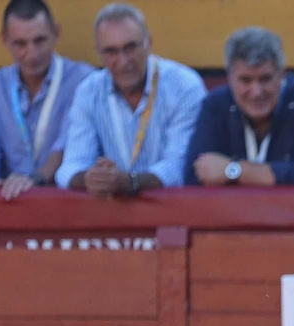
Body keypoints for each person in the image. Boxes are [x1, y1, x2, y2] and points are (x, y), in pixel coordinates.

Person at [56, 3, 204, 197]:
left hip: (173, 214)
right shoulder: (88, 91)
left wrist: (128, 181)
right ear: (99, 53)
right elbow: (70, 167)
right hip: (110, 217)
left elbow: (179, 168)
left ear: (149, 43)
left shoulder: (184, 86)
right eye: (111, 52)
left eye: (130, 47)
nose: (123, 61)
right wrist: (93, 178)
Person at [0, 0, 91, 200]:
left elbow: (69, 146)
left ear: (56, 33)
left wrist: (34, 180)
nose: (32, 54)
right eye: (20, 43)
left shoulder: (83, 80)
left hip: (65, 201)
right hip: (9, 201)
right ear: (4, 39)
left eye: (39, 41)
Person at [185, 27, 294, 188]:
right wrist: (268, 175)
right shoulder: (216, 104)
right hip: (231, 212)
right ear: (229, 77)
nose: (256, 92)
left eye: (265, 79)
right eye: (245, 80)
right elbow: (195, 176)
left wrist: (232, 170)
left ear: (281, 74)